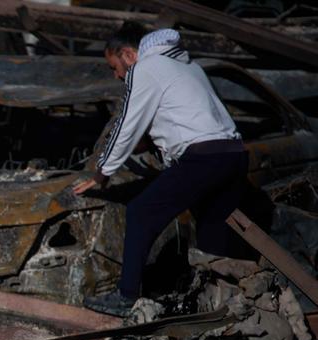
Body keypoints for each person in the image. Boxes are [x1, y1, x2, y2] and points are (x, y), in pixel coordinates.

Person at [74, 23, 247, 316]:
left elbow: (127, 125)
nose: (117, 75)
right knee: (211, 235)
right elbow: (183, 121)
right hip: (233, 156)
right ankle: (219, 307)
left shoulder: (146, 68)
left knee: (140, 211)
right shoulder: (189, 67)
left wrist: (103, 172)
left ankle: (126, 296)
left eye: (115, 66)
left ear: (128, 54)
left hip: (203, 158)